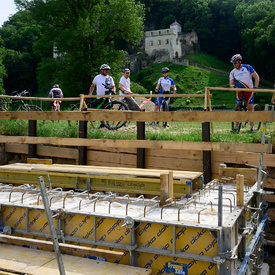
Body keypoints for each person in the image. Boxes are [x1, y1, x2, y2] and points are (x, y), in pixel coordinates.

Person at [229, 54, 260, 132]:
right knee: (238, 109)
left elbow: (256, 77)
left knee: (250, 108)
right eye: (233, 63)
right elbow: (231, 84)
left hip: (249, 91)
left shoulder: (248, 67)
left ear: (239, 62)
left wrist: (255, 88)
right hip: (239, 92)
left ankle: (252, 127)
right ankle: (236, 127)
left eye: (235, 63)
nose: (234, 64)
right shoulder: (232, 72)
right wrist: (234, 87)